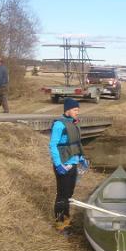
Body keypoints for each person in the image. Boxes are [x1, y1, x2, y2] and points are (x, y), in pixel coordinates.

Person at [49, 98, 88, 235]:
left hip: (73, 164)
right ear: (68, 110)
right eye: (75, 110)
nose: (77, 112)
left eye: (78, 110)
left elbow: (75, 144)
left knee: (69, 195)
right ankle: (60, 225)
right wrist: (58, 164)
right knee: (62, 196)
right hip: (63, 166)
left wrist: (81, 158)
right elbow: (53, 145)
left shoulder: (74, 123)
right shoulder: (59, 125)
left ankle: (66, 220)